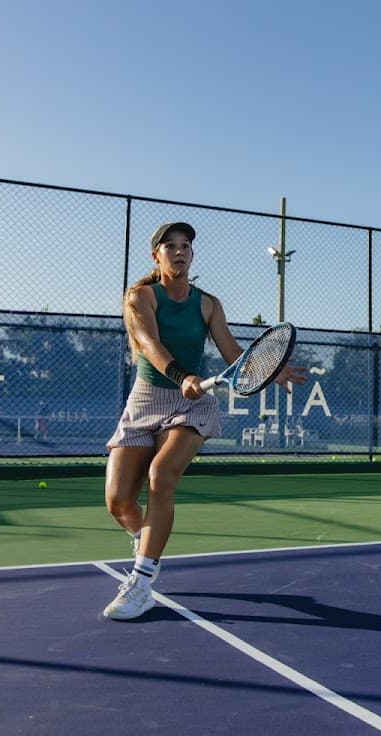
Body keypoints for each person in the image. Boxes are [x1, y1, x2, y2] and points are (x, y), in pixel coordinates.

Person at [102, 221, 304, 620]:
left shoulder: (208, 303)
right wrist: (182, 376)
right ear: (156, 256)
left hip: (192, 406)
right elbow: (149, 343)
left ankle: (142, 583)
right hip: (146, 399)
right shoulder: (140, 296)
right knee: (119, 501)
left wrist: (267, 368)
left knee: (161, 476)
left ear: (192, 256)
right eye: (170, 246)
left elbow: (232, 352)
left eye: (186, 246)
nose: (179, 252)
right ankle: (146, 541)